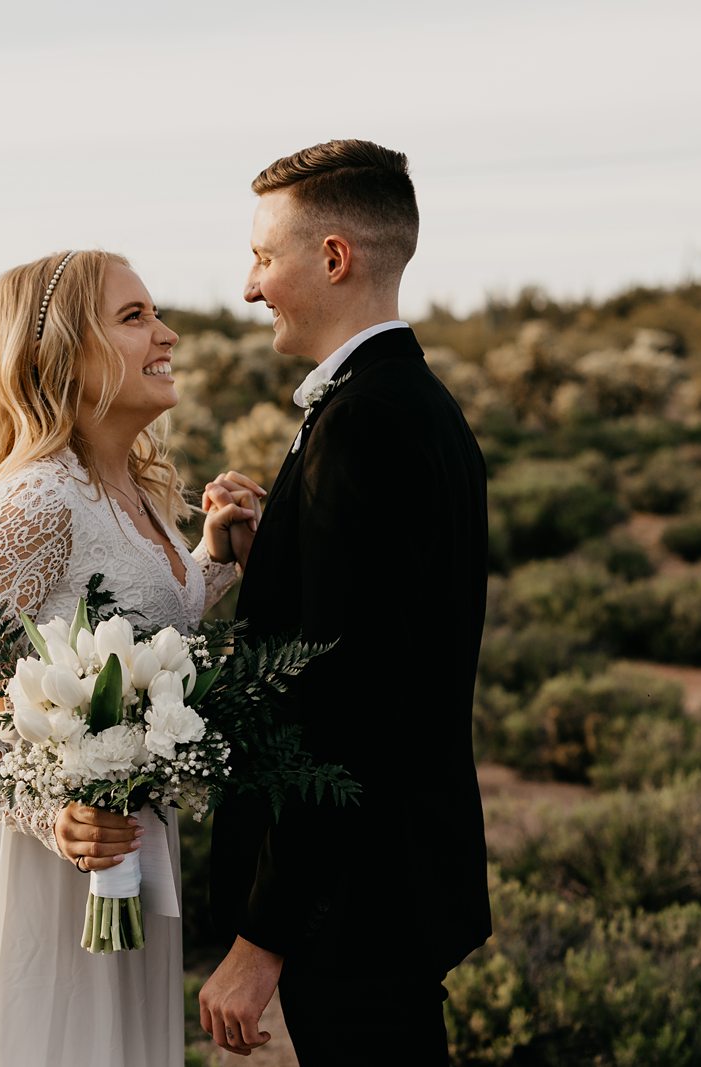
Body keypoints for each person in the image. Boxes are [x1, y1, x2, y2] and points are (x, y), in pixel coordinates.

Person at [0, 248, 257, 1066]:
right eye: (135, 318)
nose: (166, 333)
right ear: (63, 353)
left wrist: (215, 558)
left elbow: (133, 632)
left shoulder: (125, 486)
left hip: (119, 850)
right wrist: (52, 817)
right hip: (36, 870)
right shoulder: (34, 500)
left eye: (155, 313)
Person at [197, 140, 492, 1065]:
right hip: (390, 880)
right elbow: (369, 627)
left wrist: (262, 937)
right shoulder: (409, 404)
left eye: (263, 256)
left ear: (333, 257)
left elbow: (350, 708)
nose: (249, 287)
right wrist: (270, 560)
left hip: (360, 900)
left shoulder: (366, 425)